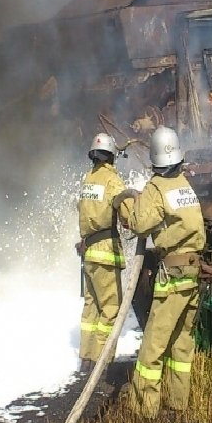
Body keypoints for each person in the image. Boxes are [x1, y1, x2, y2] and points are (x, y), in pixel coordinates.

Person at [122, 126, 206, 418]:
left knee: (153, 346)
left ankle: (143, 409)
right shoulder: (184, 185)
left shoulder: (157, 188)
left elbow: (138, 223)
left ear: (155, 159)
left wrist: (126, 204)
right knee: (182, 343)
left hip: (172, 276)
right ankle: (177, 402)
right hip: (192, 274)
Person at [76, 132, 132, 373]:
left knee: (91, 307)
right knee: (110, 308)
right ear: (111, 156)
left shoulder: (88, 180)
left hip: (89, 253)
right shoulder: (112, 181)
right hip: (105, 252)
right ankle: (101, 361)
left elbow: (83, 210)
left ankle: (86, 359)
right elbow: (128, 214)